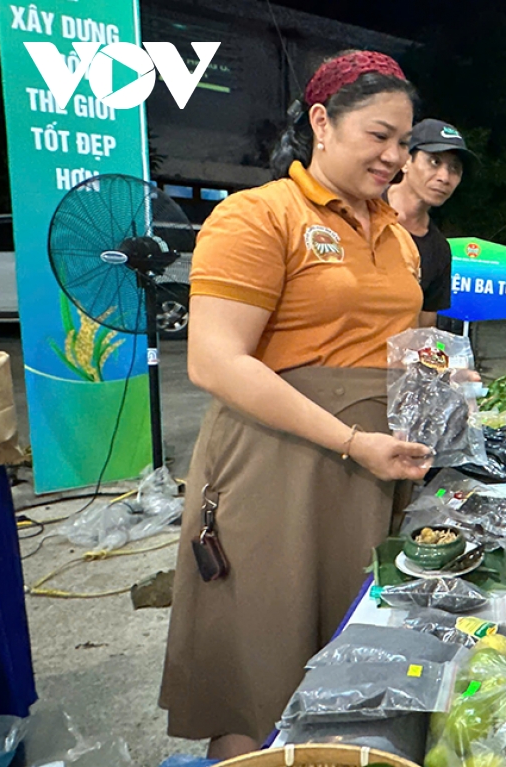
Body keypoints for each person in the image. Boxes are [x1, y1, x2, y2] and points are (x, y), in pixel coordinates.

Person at [159, 51, 433, 760]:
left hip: (370, 468)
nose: (396, 158)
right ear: (321, 121)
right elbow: (215, 360)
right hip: (276, 463)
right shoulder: (258, 216)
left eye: (404, 142)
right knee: (260, 666)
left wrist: (438, 385)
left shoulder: (396, 235)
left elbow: (398, 341)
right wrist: (349, 437)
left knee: (345, 657)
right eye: (380, 135)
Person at [385, 118, 477, 328]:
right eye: (434, 162)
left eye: (454, 168)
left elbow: (425, 329)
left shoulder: (439, 251)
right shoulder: (361, 209)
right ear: (406, 161)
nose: (444, 177)